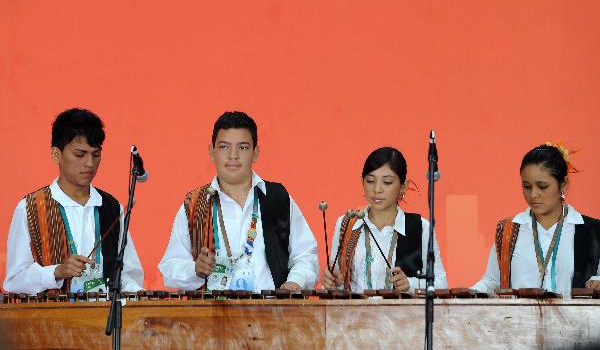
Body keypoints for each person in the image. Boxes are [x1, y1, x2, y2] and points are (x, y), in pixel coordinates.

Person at [158, 111, 319, 292]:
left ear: (255, 153)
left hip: (271, 314)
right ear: (212, 152)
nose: (233, 155)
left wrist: (295, 282)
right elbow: (171, 267)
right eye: (224, 147)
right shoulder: (195, 204)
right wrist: (194, 270)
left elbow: (306, 255)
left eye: (242, 147)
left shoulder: (278, 198)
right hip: (210, 316)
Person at [3, 108, 144, 294]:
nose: (89, 164)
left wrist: (137, 294)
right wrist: (57, 272)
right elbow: (14, 281)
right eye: (80, 154)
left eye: (96, 154)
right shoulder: (30, 208)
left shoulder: (111, 207)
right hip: (52, 320)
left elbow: (128, 275)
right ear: (56, 154)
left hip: (104, 317)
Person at [471, 143, 600, 296]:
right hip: (518, 319)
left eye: (542, 186)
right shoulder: (508, 230)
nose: (533, 195)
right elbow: (492, 281)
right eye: (526, 186)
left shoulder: (592, 231)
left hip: (576, 319)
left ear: (563, 184)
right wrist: (470, 293)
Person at [322, 147, 448, 292]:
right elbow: (335, 285)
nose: (377, 189)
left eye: (387, 182)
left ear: (403, 186)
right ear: (362, 182)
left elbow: (441, 284)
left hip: (402, 314)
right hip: (355, 313)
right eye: (370, 181)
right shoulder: (348, 224)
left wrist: (410, 285)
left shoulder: (420, 227)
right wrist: (334, 282)